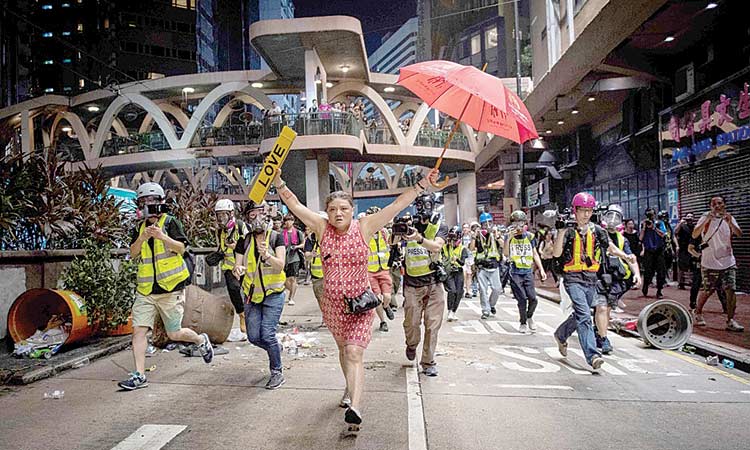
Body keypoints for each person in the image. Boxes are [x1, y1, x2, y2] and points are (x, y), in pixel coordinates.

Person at [273, 166, 443, 434]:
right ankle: (348, 387)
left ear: (352, 210)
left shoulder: (364, 227)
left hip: (361, 304)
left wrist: (422, 185)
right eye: (332, 209)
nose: (337, 213)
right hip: (333, 306)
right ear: (327, 213)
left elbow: (397, 204)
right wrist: (279, 181)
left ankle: (356, 407)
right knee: (344, 351)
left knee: (354, 352)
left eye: (343, 208)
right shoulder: (321, 227)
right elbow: (294, 204)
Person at [118, 183, 213, 390]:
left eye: (152, 202)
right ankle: (139, 375)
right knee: (139, 332)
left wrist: (162, 236)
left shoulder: (170, 222)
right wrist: (142, 238)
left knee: (175, 334)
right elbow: (133, 254)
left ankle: (200, 340)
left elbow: (181, 248)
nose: (149, 206)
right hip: (146, 291)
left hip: (170, 290)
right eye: (144, 202)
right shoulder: (138, 228)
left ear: (161, 203)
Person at [552, 192, 635, 370]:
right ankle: (592, 355)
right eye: (582, 210)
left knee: (582, 314)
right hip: (572, 278)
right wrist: (560, 232)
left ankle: (561, 334)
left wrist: (626, 256)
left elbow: (610, 248)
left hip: (590, 279)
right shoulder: (568, 230)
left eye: (589, 211)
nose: (586, 215)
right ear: (575, 211)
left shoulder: (597, 231)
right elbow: (557, 254)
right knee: (583, 315)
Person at [233, 200, 288, 389]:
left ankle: (276, 371)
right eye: (252, 214)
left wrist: (267, 256)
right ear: (247, 218)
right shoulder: (244, 240)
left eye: (259, 213)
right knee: (254, 337)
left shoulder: (276, 238)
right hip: (251, 294)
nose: (256, 218)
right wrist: (237, 269)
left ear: (267, 215)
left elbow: (281, 264)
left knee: (268, 333)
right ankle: (275, 351)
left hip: (274, 293)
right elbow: (237, 265)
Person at [402, 191, 447, 377]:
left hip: (434, 282)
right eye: (421, 205)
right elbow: (393, 242)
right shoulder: (408, 225)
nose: (424, 210)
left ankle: (428, 361)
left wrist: (418, 238)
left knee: (432, 325)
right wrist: (400, 233)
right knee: (411, 323)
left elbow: (437, 246)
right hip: (412, 285)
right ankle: (411, 344)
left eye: (428, 205)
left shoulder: (439, 226)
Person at [592, 204, 641, 354]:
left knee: (605, 308)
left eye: (616, 217)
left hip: (615, 280)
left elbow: (631, 258)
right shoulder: (596, 234)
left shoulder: (622, 239)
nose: (612, 220)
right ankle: (603, 337)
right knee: (602, 307)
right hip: (596, 277)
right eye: (610, 215)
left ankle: (600, 333)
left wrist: (637, 274)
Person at [691, 196, 743, 332]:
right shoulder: (704, 218)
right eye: (714, 204)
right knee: (708, 290)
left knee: (730, 290)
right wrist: (707, 220)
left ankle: (730, 320)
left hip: (728, 261)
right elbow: (695, 235)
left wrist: (730, 222)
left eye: (720, 203)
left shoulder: (729, 218)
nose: (717, 206)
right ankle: (697, 312)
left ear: (724, 204)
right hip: (710, 262)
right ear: (710, 206)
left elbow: (739, 234)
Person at [504, 210, 546, 333]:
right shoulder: (509, 237)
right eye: (516, 223)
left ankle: (529, 316)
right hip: (515, 272)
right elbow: (506, 254)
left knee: (533, 298)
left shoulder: (530, 236)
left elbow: (535, 253)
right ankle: (522, 322)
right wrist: (509, 238)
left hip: (527, 271)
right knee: (522, 298)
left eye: (521, 223)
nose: (518, 226)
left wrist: (541, 269)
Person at [214, 199, 249, 332]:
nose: (221, 218)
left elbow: (249, 245)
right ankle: (242, 315)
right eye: (219, 215)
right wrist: (218, 255)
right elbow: (221, 248)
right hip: (228, 267)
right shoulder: (220, 232)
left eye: (224, 214)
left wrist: (237, 247)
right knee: (233, 290)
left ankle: (251, 314)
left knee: (247, 291)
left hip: (244, 266)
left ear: (231, 213)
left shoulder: (241, 226)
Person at [365, 206, 395, 332]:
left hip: (384, 269)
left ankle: (386, 306)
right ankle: (383, 321)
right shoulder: (365, 233)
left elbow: (391, 244)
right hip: (370, 271)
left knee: (387, 296)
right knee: (377, 298)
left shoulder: (384, 232)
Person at [687, 234, 727, 313]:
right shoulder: (698, 234)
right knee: (697, 282)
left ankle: (725, 306)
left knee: (719, 284)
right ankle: (693, 304)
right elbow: (690, 249)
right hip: (701, 263)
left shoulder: (716, 235)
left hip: (714, 262)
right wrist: (699, 256)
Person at [474, 212, 503, 319]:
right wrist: (474, 237)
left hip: (494, 265)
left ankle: (491, 305)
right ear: (481, 225)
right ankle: (485, 310)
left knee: (497, 288)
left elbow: (503, 245)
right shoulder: (478, 236)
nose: (487, 225)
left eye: (489, 222)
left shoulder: (495, 234)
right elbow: (472, 248)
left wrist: (497, 236)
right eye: (485, 224)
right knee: (482, 289)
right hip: (482, 266)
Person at [443, 226, 469, 322]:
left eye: (454, 238)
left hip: (458, 272)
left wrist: (456, 259)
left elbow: (462, 263)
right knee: (452, 291)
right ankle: (449, 310)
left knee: (459, 292)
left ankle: (453, 311)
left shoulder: (463, 249)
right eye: (451, 238)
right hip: (449, 272)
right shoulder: (445, 247)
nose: (452, 240)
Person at [640, 207, 667, 299]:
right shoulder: (643, 224)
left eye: (651, 214)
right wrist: (644, 228)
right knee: (648, 271)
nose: (650, 217)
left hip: (659, 250)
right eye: (648, 215)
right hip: (648, 250)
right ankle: (646, 285)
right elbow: (640, 238)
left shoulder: (659, 223)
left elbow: (663, 234)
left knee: (661, 271)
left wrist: (654, 228)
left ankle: (659, 290)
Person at [281, 214, 304, 306]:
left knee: (293, 278)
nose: (288, 222)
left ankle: (291, 297)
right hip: (285, 258)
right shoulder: (282, 233)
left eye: (289, 220)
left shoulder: (298, 232)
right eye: (286, 220)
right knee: (284, 279)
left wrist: (297, 246)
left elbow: (303, 244)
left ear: (293, 221)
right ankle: (291, 290)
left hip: (295, 258)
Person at [675, 213, 695, 289]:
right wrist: (680, 223)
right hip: (683, 248)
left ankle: (692, 281)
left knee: (693, 266)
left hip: (692, 248)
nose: (690, 218)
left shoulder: (695, 227)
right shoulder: (682, 226)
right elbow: (676, 232)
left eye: (691, 217)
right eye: (688, 217)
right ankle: (681, 283)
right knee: (681, 267)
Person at [461, 223, 476, 298]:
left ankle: (468, 290)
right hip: (463, 257)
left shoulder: (471, 236)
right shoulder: (460, 236)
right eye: (464, 228)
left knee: (469, 274)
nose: (465, 229)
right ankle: (462, 289)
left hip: (470, 256)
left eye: (466, 227)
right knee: (463, 274)